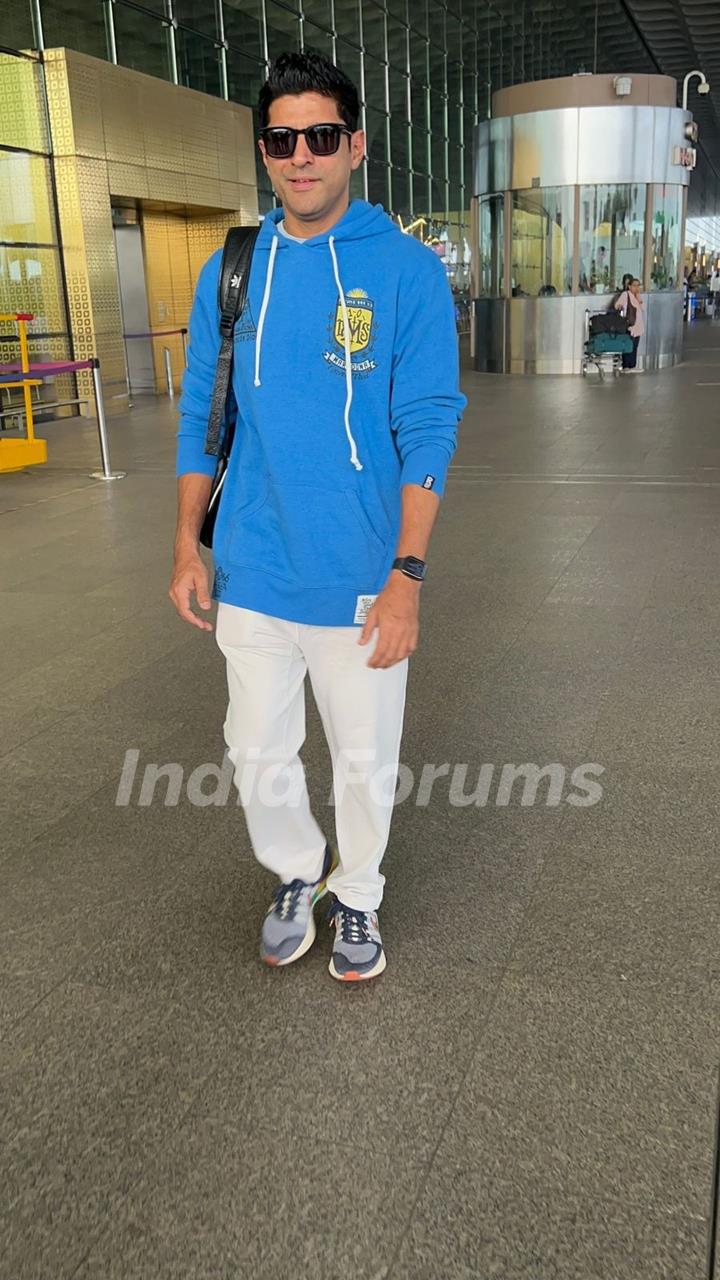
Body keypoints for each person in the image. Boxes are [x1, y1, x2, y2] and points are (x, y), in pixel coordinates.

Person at [169, 52, 466, 983]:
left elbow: (426, 424)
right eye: (282, 138)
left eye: (321, 136)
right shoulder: (232, 269)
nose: (301, 156)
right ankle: (298, 872)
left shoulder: (407, 273)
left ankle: (362, 894)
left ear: (356, 146)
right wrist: (187, 542)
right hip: (254, 565)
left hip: (360, 576)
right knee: (255, 747)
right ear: (265, 151)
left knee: (363, 754)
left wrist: (407, 578)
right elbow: (200, 417)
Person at [615, 277, 644, 371]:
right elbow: (617, 305)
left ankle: (633, 365)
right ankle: (626, 365)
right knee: (628, 345)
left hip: (638, 325)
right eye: (634, 285)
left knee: (635, 345)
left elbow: (643, 308)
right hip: (629, 325)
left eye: (638, 285)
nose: (637, 288)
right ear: (629, 286)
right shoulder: (625, 295)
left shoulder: (638, 296)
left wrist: (639, 299)